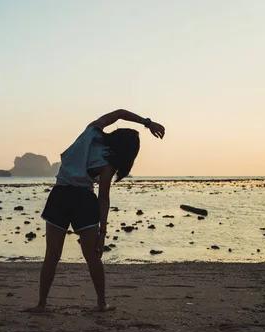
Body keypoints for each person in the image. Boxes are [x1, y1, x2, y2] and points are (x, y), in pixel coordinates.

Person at [29, 109, 165, 312]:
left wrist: (147, 122)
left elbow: (119, 113)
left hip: (60, 196)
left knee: (52, 255)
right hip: (83, 200)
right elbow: (103, 199)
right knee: (92, 256)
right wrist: (103, 232)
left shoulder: (91, 131)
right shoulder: (107, 165)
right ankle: (102, 303)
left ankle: (41, 304)